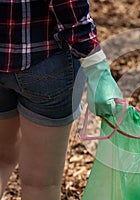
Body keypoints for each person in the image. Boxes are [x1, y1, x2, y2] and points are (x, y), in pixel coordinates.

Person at [0, 0, 102, 199]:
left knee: (1, 159)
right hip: (46, 61)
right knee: (41, 184)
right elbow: (69, 5)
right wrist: (98, 66)